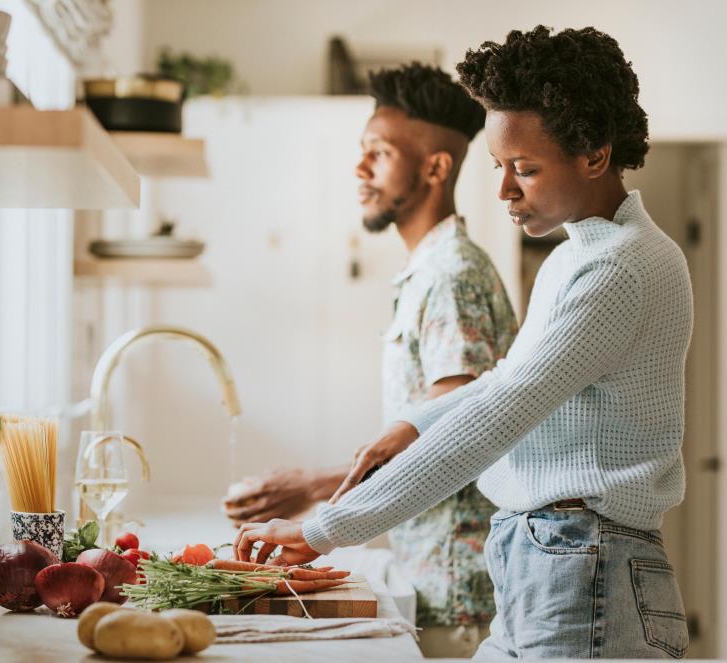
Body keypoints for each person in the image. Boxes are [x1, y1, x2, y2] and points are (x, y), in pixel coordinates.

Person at [234, 25, 693, 660]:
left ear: (593, 155)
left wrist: (325, 529)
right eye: (500, 167)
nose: (504, 191)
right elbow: (506, 377)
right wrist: (416, 422)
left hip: (584, 564)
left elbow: (502, 412)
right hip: (549, 558)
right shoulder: (576, 257)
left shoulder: (620, 268)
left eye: (525, 170)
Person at [222, 62, 518, 657]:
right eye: (363, 152)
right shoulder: (428, 272)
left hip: (458, 595)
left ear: (436, 167)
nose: (360, 169)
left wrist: (316, 488)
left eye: (379, 153)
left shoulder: (453, 276)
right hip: (433, 583)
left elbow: (454, 434)